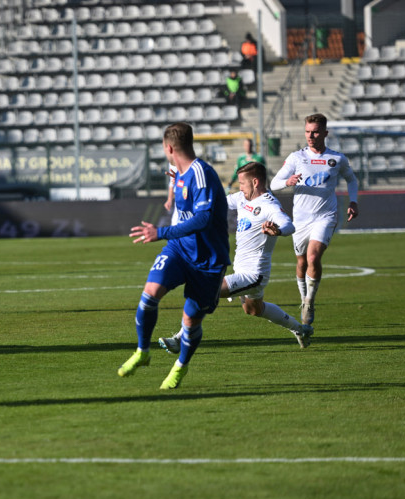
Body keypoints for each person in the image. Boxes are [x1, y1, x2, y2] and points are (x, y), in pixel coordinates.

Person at [118, 122, 230, 390]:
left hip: (208, 260)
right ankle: (143, 351)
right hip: (180, 249)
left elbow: (203, 218)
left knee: (190, 319)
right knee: (150, 292)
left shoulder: (201, 174)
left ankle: (180, 366)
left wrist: (162, 231)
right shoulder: (180, 173)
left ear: (168, 147)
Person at [159, 161, 314, 353]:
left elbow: (289, 225)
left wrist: (278, 231)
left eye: (242, 183)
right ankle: (301, 330)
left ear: (255, 182)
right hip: (241, 269)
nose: (239, 188)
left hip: (254, 274)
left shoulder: (268, 205)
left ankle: (180, 339)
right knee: (253, 309)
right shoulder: (242, 198)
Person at [270, 113, 359, 326]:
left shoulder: (337, 159)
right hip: (300, 219)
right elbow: (274, 184)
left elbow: (352, 180)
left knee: (312, 258)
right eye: (308, 131)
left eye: (315, 131)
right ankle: (303, 298)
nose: (311, 135)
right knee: (301, 262)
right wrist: (287, 181)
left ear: (325, 133)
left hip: (325, 216)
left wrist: (353, 202)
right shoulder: (296, 157)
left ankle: (310, 301)